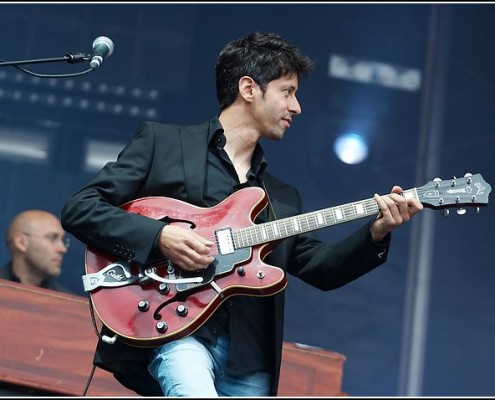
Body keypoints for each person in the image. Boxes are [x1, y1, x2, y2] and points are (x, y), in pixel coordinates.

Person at [61, 31, 423, 397]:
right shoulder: (164, 143)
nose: (297, 107)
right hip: (176, 332)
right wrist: (160, 237)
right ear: (249, 89)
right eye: (287, 91)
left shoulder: (281, 198)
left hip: (249, 359)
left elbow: (322, 268)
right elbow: (82, 208)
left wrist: (377, 232)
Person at [1, 210, 71, 293]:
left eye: (63, 240)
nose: (63, 249)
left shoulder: (67, 301)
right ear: (21, 242)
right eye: (52, 238)